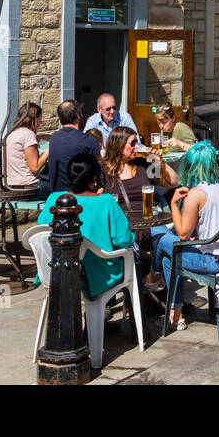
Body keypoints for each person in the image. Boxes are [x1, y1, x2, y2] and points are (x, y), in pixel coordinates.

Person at [148, 141, 219, 327]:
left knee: (161, 238)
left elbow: (183, 234)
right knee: (169, 259)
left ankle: (153, 274)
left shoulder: (197, 194)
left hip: (214, 261)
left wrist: (174, 203)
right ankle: (176, 315)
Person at [37, 152, 134, 299]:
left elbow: (40, 233)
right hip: (95, 279)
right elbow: (123, 240)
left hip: (53, 273)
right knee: (134, 254)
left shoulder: (54, 199)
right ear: (95, 178)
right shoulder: (106, 201)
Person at [102, 125, 178, 214]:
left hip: (147, 218)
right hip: (119, 221)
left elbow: (173, 182)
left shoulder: (142, 164)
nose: (137, 146)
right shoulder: (103, 170)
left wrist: (161, 162)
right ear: (119, 145)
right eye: (133, 143)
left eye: (137, 142)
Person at [47, 99, 102, 195]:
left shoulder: (54, 138)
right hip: (81, 196)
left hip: (57, 195)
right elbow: (102, 166)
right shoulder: (87, 140)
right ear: (78, 116)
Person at [5, 102, 47, 189]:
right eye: (40, 119)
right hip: (29, 187)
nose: (41, 123)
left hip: (10, 186)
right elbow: (35, 168)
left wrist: (40, 137)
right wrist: (50, 148)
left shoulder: (12, 133)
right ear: (34, 119)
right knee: (63, 189)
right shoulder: (28, 134)